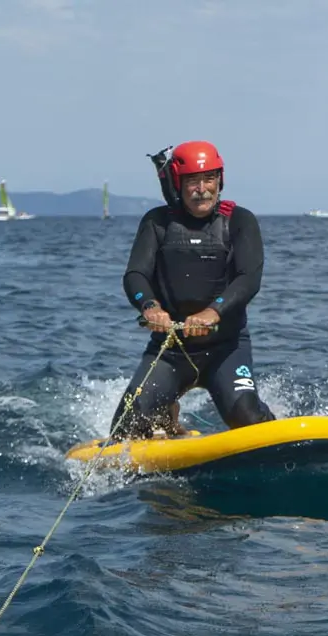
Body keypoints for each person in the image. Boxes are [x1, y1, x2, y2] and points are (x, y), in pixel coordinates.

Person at [108, 140, 277, 440]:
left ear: (220, 180)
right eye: (192, 181)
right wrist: (150, 307)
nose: (202, 189)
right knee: (125, 429)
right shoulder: (157, 223)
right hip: (171, 350)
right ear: (177, 183)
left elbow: (249, 278)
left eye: (209, 179)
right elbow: (135, 274)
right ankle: (168, 415)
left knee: (247, 417)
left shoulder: (239, 221)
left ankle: (280, 434)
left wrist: (213, 312)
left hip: (226, 350)